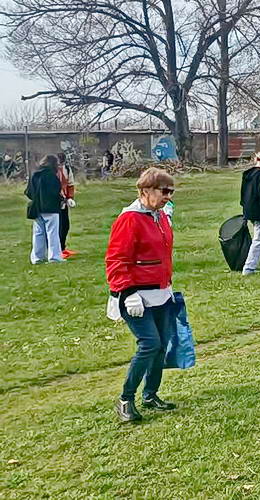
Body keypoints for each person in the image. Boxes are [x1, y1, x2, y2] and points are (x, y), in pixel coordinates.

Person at [105, 167, 178, 423]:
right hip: (136, 296)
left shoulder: (160, 216)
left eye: (171, 192)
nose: (168, 196)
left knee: (162, 346)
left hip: (161, 293)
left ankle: (150, 394)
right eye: (164, 191)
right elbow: (116, 260)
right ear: (145, 191)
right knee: (150, 344)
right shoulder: (130, 219)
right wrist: (127, 292)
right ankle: (126, 399)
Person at [24, 155, 64, 264]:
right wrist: (61, 200)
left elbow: (28, 192)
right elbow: (55, 192)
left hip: (37, 208)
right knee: (52, 233)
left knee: (38, 234)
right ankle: (54, 257)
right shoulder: (51, 175)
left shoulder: (35, 174)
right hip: (51, 208)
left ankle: (37, 257)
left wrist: (36, 198)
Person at [55, 153, 77, 258]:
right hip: (55, 202)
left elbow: (70, 184)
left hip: (64, 201)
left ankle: (63, 248)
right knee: (57, 226)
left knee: (65, 225)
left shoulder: (67, 169)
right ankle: (57, 250)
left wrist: (70, 198)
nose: (61, 165)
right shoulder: (52, 171)